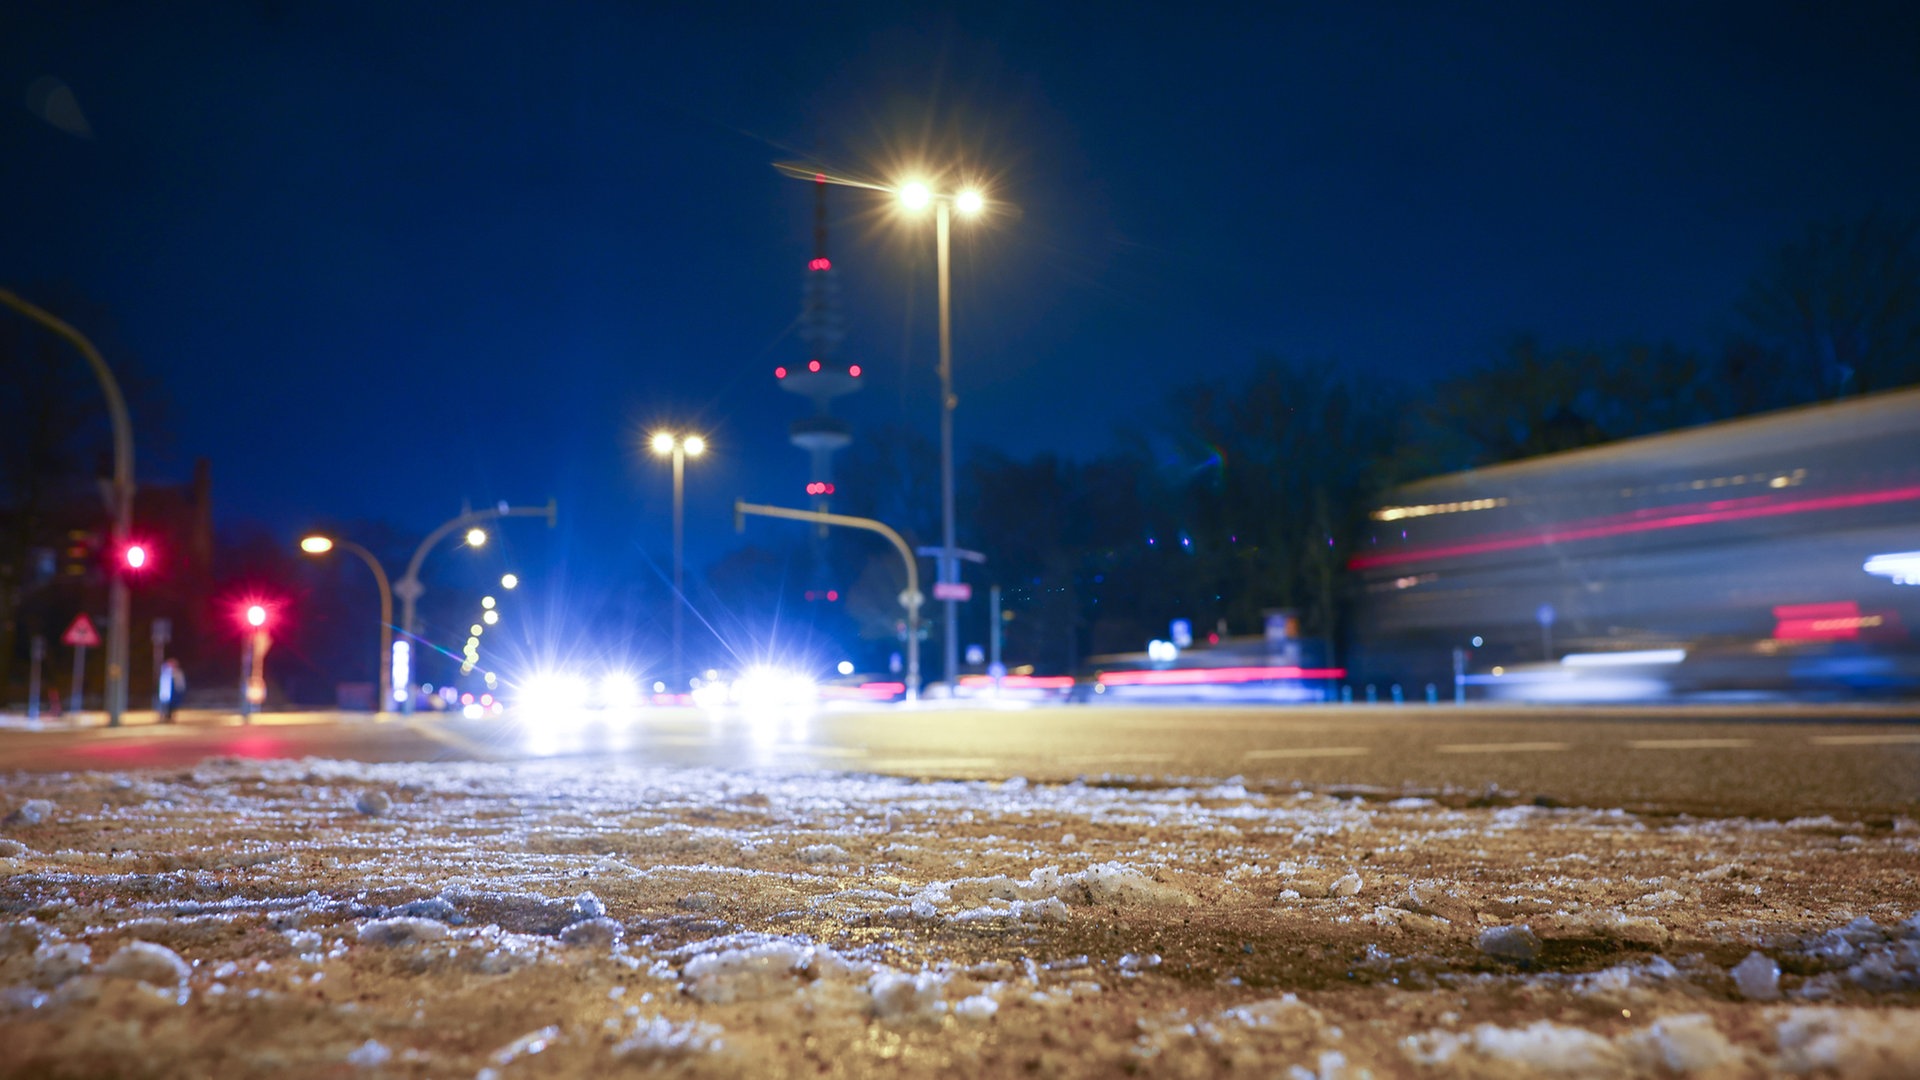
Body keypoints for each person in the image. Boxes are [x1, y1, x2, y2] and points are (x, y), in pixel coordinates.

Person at [158, 658, 185, 722]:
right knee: (164, 705)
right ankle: (163, 716)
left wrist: (180, 689)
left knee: (172, 706)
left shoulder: (177, 673)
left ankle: (169, 716)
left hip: (174, 693)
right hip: (166, 693)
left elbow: (180, 683)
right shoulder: (166, 672)